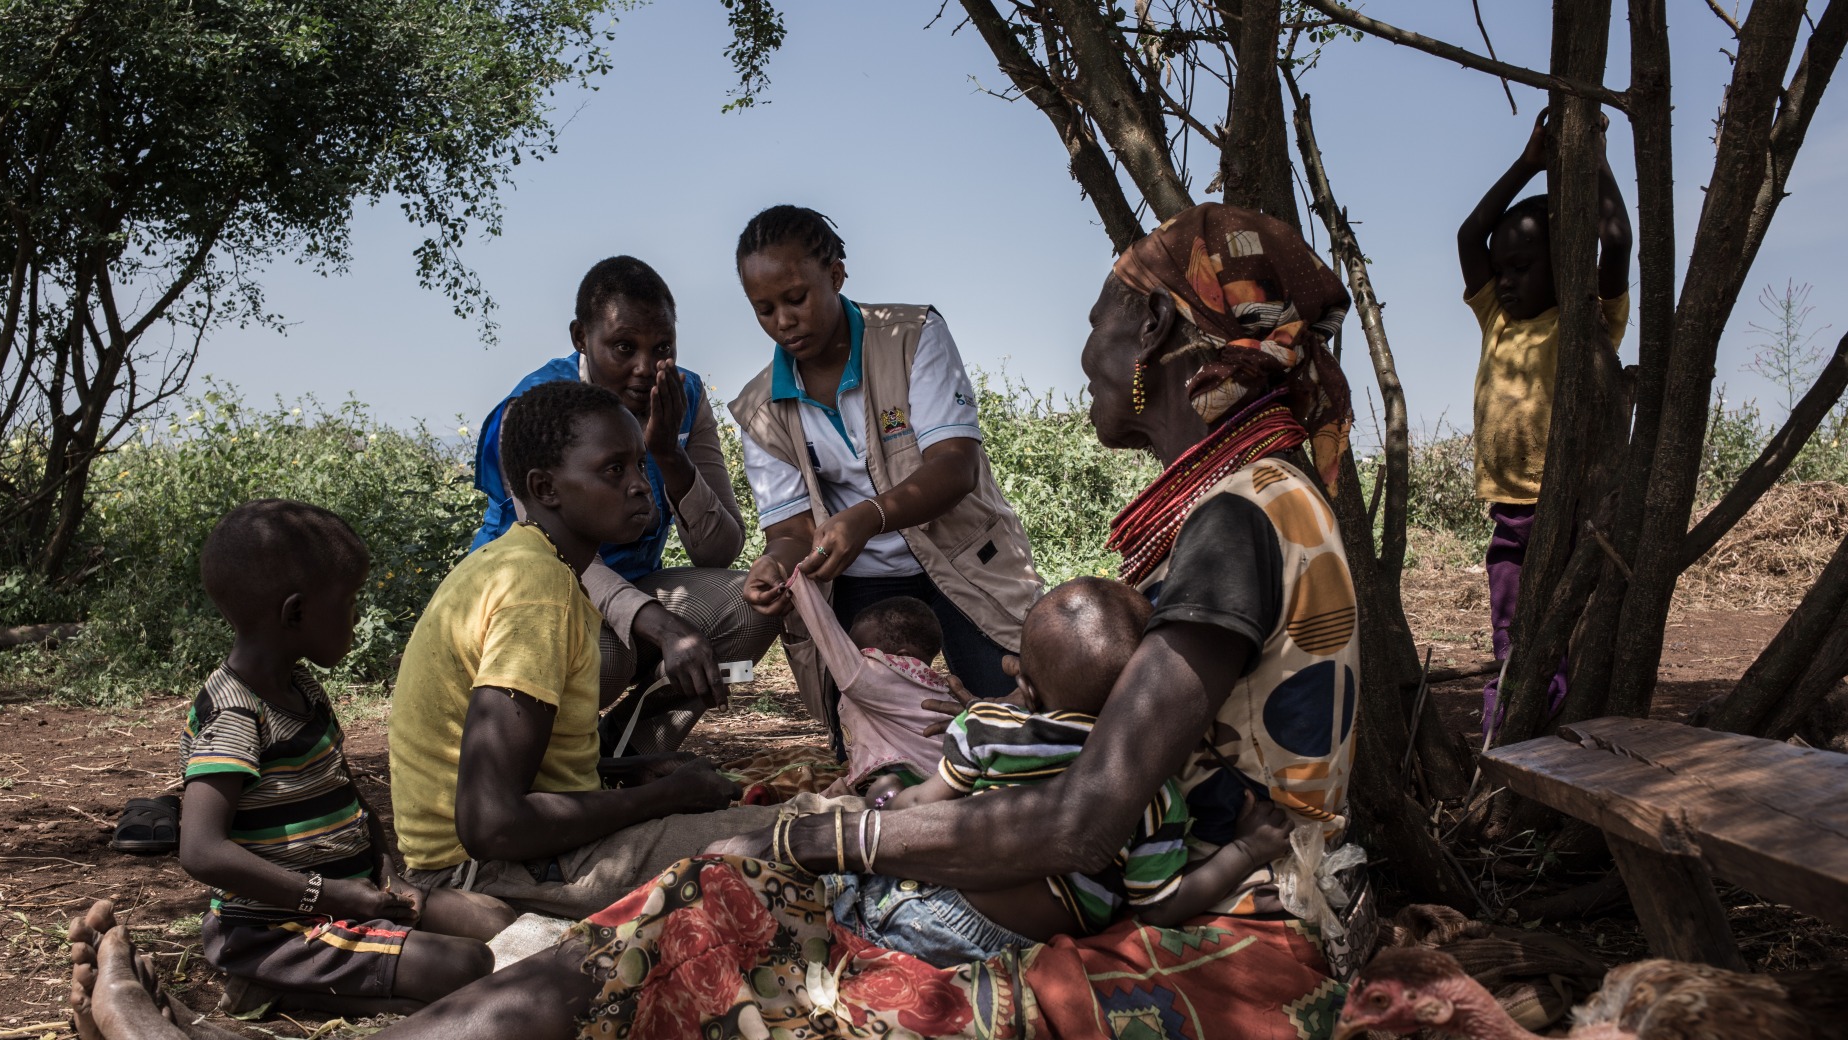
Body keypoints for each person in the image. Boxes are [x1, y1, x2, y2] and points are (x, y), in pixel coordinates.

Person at [69, 203, 1359, 1040]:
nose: (1086, 352)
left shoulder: (1242, 517)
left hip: (1208, 907)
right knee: (678, 912)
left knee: (679, 927)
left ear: (1184, 354)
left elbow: (1086, 816)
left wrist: (847, 822)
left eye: (1109, 323)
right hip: (1147, 883)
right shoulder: (1259, 502)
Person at [391, 379, 841, 919]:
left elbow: (537, 768)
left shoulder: (533, 566)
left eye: (637, 465)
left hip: (503, 853)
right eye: (613, 470)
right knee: (809, 841)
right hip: (481, 871)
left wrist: (633, 771)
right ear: (545, 487)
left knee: (806, 833)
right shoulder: (535, 588)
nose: (639, 485)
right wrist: (665, 799)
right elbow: (492, 824)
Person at [829, 577, 1295, 967]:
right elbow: (1160, 907)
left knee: (889, 795)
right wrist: (1248, 850)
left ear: (1026, 689)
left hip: (928, 909)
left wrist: (879, 804)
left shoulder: (989, 725)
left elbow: (919, 806)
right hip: (1013, 951)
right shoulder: (1151, 789)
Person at [180, 500, 515, 1015]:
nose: (358, 614)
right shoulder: (235, 714)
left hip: (346, 901)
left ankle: (378, 989)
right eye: (350, 600)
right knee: (464, 967)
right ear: (295, 613)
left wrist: (385, 871)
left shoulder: (303, 688)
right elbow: (202, 851)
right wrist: (327, 896)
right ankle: (277, 989)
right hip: (275, 930)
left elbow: (345, 795)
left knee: (498, 921)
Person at [730, 205, 1044, 735]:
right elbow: (789, 532)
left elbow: (955, 467)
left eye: (796, 298)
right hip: (860, 581)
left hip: (963, 560)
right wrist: (775, 565)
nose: (782, 321)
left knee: (1016, 719)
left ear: (835, 275)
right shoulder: (760, 409)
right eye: (763, 309)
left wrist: (866, 518)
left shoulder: (914, 335)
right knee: (871, 741)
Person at [471, 256, 779, 755]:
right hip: (530, 601)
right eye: (623, 348)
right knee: (605, 655)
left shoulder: (683, 397)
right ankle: (538, 765)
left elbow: (719, 551)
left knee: (752, 606)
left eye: (662, 349)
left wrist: (667, 453)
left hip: (632, 583)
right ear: (580, 338)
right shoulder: (531, 414)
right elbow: (555, 555)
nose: (644, 369)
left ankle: (631, 755)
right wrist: (664, 625)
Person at [1457, 111, 1631, 736]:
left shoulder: (1586, 322)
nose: (1503, 279)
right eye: (1500, 268)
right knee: (1511, 627)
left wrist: (1595, 161)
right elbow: (1468, 236)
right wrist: (1529, 164)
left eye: (1521, 267)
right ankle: (1513, 719)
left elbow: (1616, 242)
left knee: (1564, 624)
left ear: (1562, 263)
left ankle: (1550, 723)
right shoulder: (1496, 321)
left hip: (1569, 510)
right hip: (1510, 513)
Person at [785, 563, 951, 794]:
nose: (856, 661)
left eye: (862, 654)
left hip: (917, 780)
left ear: (901, 658)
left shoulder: (888, 678)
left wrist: (799, 585)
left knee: (866, 800)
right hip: (928, 778)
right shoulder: (921, 685)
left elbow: (832, 642)